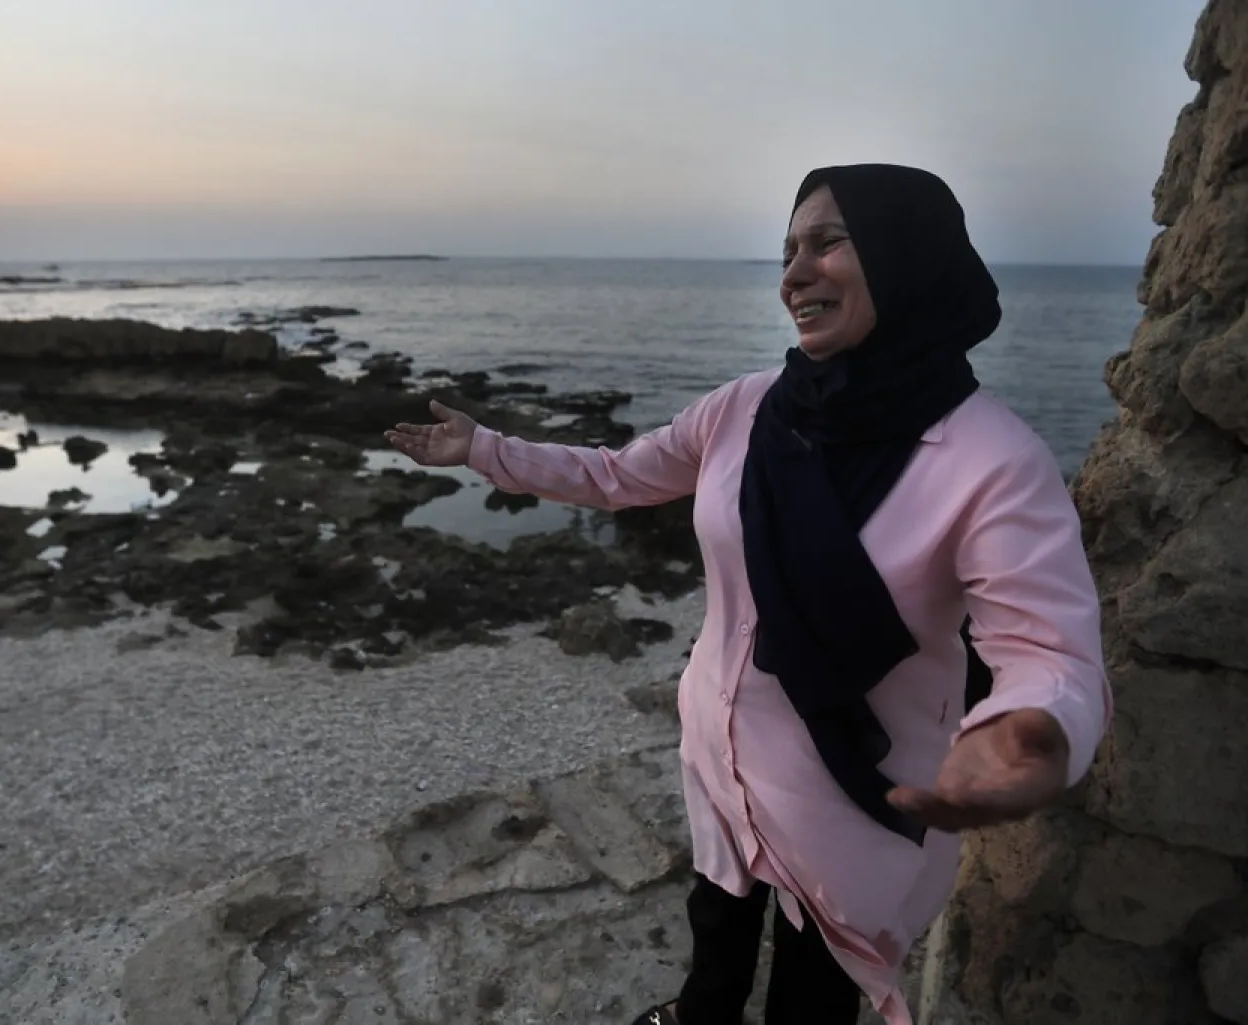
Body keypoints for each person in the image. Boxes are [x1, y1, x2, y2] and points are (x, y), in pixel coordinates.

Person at [384, 164, 1111, 1025]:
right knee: (718, 914)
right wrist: (485, 448)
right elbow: (618, 475)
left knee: (816, 985)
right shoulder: (746, 407)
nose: (794, 274)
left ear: (905, 253)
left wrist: (1030, 732)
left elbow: (1048, 651)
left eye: (826, 242)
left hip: (852, 788)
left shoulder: (993, 459)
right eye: (787, 250)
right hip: (719, 739)